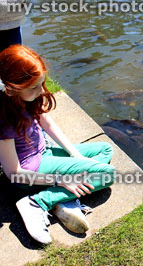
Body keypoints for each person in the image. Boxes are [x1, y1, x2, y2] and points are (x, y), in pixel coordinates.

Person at [0, 45, 116, 245]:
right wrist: (59, 180)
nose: (41, 90)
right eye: (34, 87)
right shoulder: (4, 119)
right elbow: (13, 173)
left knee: (105, 149)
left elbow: (47, 122)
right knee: (108, 174)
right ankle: (37, 202)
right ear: (11, 88)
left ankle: (60, 197)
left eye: (41, 83)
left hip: (45, 152)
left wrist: (74, 154)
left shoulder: (29, 97)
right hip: (30, 170)